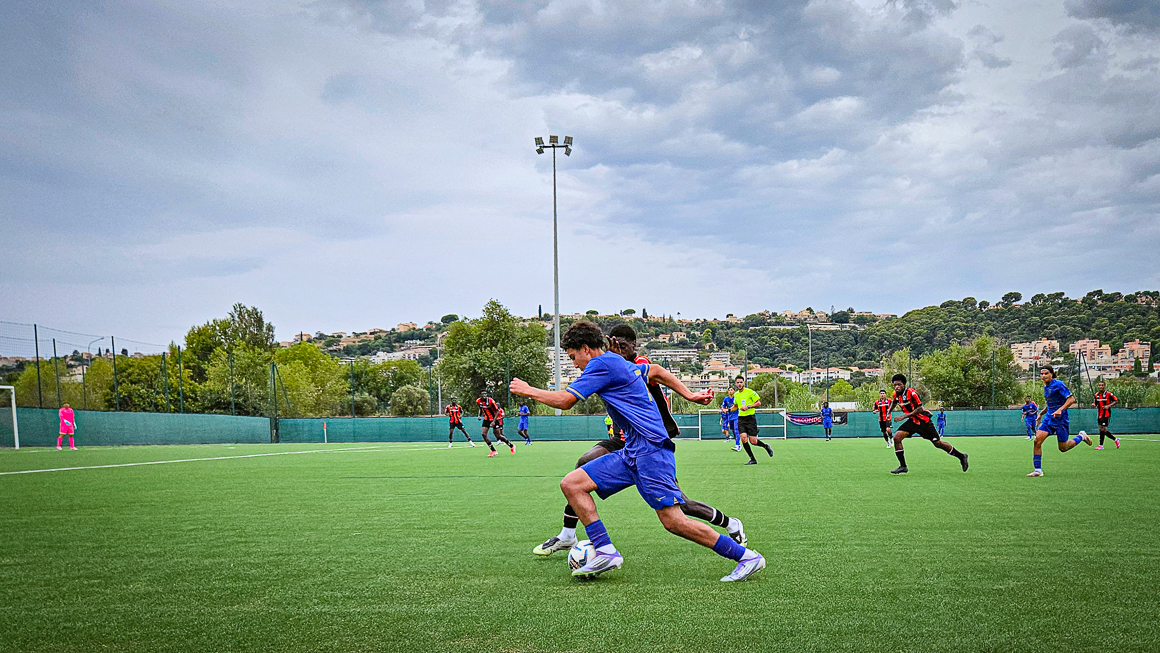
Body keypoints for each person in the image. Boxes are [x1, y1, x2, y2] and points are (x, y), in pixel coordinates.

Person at [511, 321, 765, 582]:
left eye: (574, 357)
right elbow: (654, 370)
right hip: (633, 451)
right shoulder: (616, 362)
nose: (574, 363)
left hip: (651, 451)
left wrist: (528, 390)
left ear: (586, 349)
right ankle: (606, 551)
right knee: (573, 484)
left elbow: (566, 400)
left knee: (674, 522)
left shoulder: (601, 364)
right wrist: (689, 395)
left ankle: (746, 557)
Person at [888, 374, 968, 475]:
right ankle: (903, 466)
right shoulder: (896, 394)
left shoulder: (911, 393)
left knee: (938, 443)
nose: (896, 387)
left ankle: (962, 456)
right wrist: (888, 412)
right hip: (912, 421)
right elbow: (894, 403)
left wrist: (903, 416)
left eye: (899, 384)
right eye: (895, 385)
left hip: (924, 421)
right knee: (897, 438)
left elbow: (920, 409)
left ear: (903, 384)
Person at [1028, 365, 1090, 477]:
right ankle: (1038, 470)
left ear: (1052, 374)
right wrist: (1041, 414)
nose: (1043, 376)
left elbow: (1071, 399)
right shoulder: (1046, 387)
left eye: (1046, 373)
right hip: (1049, 419)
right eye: (1041, 374)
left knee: (1063, 448)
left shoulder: (1058, 384)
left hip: (1061, 420)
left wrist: (1060, 410)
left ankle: (1081, 436)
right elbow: (1050, 403)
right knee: (1037, 441)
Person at [734, 375, 773, 465]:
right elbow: (735, 406)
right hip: (741, 419)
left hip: (750, 418)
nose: (739, 384)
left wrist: (748, 407)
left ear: (743, 383)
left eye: (741, 382)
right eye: (738, 382)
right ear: (735, 384)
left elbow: (758, 402)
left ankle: (765, 446)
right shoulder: (736, 394)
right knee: (743, 438)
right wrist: (727, 410)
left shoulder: (750, 392)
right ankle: (753, 459)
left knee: (753, 441)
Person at [476, 392, 515, 457]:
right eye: (483, 394)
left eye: (486, 394)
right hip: (486, 419)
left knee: (498, 436)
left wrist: (493, 421)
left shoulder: (491, 401)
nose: (484, 396)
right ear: (481, 396)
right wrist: (479, 415)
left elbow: (497, 411)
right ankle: (493, 450)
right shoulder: (478, 401)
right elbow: (480, 408)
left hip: (494, 419)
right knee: (483, 434)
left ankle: (511, 445)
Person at [1092, 382, 1119, 450]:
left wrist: (1108, 406)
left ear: (1104, 386)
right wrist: (1093, 405)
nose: (1101, 386)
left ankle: (1101, 445)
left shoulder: (1108, 394)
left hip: (1106, 414)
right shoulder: (1096, 395)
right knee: (1101, 429)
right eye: (1099, 385)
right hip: (1099, 414)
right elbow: (1095, 403)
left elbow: (1116, 400)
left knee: (1103, 429)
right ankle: (1115, 439)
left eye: (1102, 385)